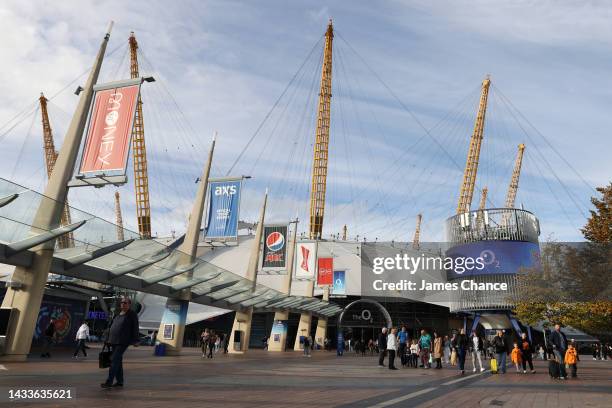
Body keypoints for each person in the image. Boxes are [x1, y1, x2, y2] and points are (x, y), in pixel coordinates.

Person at [101, 297, 140, 388]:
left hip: (123, 341)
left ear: (129, 304)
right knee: (118, 361)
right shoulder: (118, 314)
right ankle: (120, 382)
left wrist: (136, 340)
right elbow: (112, 327)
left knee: (114, 360)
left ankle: (109, 382)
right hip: (113, 341)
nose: (123, 304)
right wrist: (108, 339)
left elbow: (135, 327)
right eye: (122, 303)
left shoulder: (132, 314)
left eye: (125, 303)